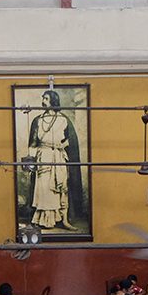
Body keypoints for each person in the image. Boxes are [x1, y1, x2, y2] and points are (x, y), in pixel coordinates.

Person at [26, 89, 84, 230]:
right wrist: (31, 161)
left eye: (46, 98)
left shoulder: (63, 120)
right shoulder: (37, 121)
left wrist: (63, 145)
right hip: (43, 157)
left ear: (53, 100)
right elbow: (33, 144)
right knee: (45, 189)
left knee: (61, 188)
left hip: (59, 157)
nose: (43, 101)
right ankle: (44, 221)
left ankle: (64, 220)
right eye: (43, 99)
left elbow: (71, 141)